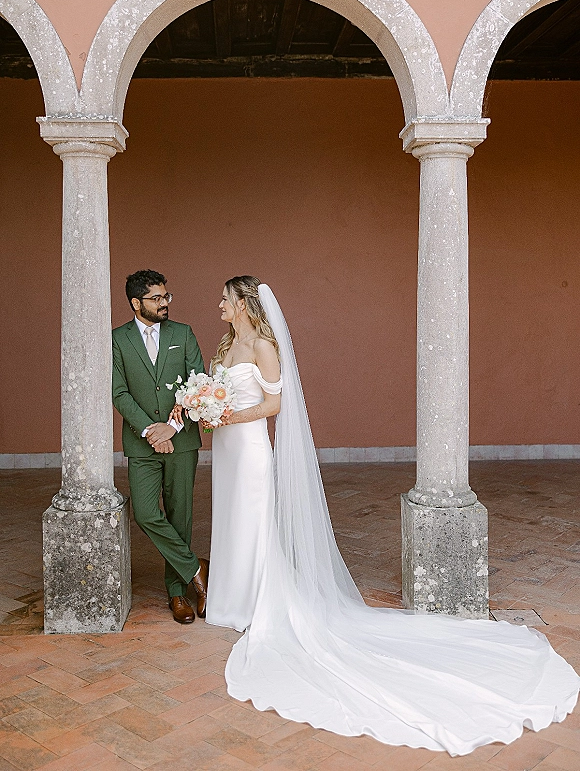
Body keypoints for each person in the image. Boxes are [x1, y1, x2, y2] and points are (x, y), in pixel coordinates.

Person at [197, 275, 579, 757]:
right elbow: (221, 393)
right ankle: (230, 598)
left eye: (226, 299)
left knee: (251, 525)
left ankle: (253, 601)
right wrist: (208, 408)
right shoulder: (227, 343)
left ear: (244, 303)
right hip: (226, 452)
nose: (219, 305)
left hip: (249, 450)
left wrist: (228, 416)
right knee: (229, 524)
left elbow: (274, 404)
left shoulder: (264, 346)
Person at [112, 269, 208, 624]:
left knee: (180, 514)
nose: (164, 302)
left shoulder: (182, 334)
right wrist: (151, 430)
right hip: (141, 443)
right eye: (156, 298)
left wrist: (171, 428)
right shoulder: (117, 340)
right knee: (147, 513)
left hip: (181, 440)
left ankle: (178, 593)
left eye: (166, 296)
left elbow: (197, 383)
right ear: (136, 303)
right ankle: (194, 568)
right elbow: (118, 392)